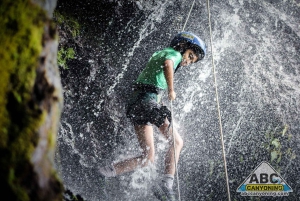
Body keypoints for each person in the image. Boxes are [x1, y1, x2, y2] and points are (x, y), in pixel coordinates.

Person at [98, 31, 206, 201]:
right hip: (146, 101)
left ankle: (105, 171)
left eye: (192, 61)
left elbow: (155, 76)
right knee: (177, 142)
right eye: (190, 56)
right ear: (183, 46)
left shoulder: (161, 52)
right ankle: (167, 184)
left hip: (137, 104)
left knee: (147, 158)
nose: (187, 62)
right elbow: (168, 64)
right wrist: (171, 89)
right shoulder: (174, 53)